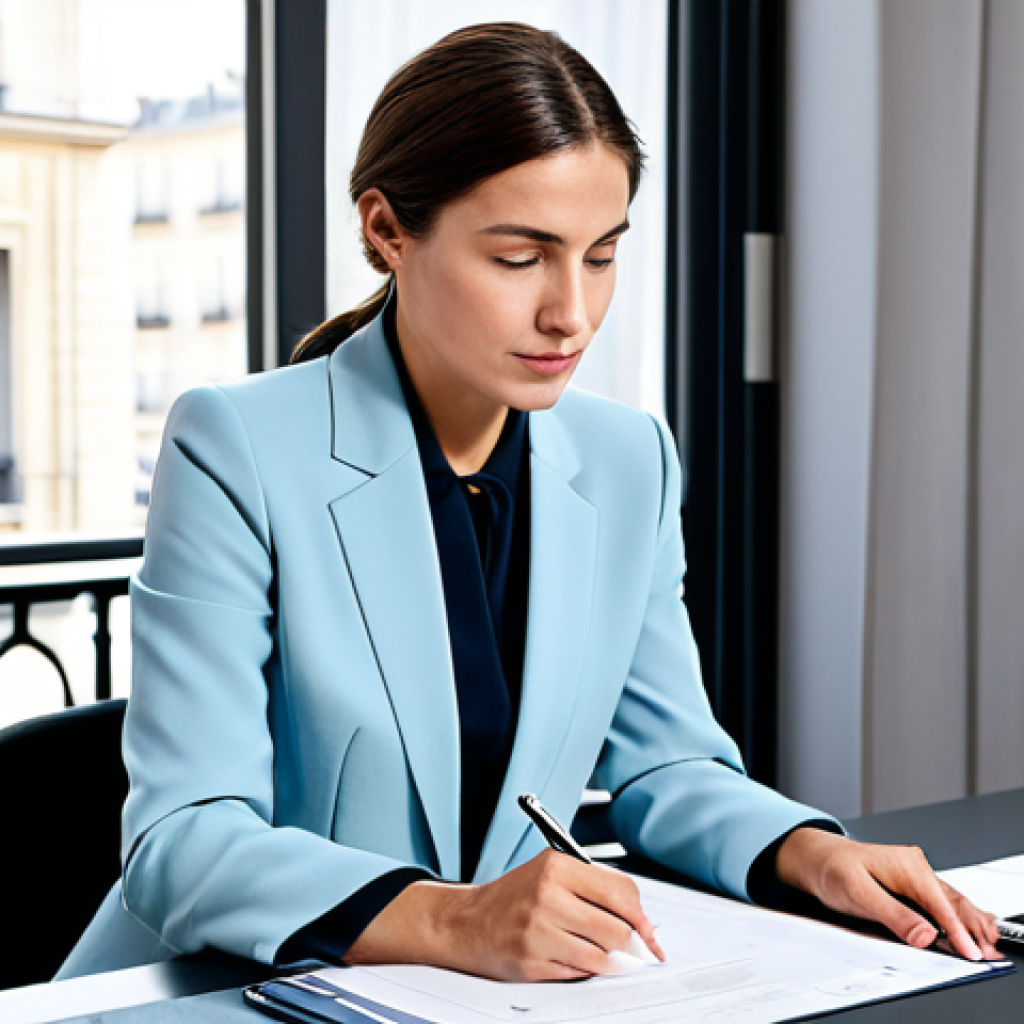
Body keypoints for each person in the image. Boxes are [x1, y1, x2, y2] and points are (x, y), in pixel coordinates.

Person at [59, 22, 1000, 983]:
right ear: (386, 230)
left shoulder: (630, 458)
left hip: (492, 1001)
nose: (573, 314)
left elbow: (669, 765)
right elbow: (184, 843)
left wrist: (810, 854)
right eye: (521, 258)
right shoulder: (235, 445)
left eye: (600, 256)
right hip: (231, 989)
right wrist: (458, 921)